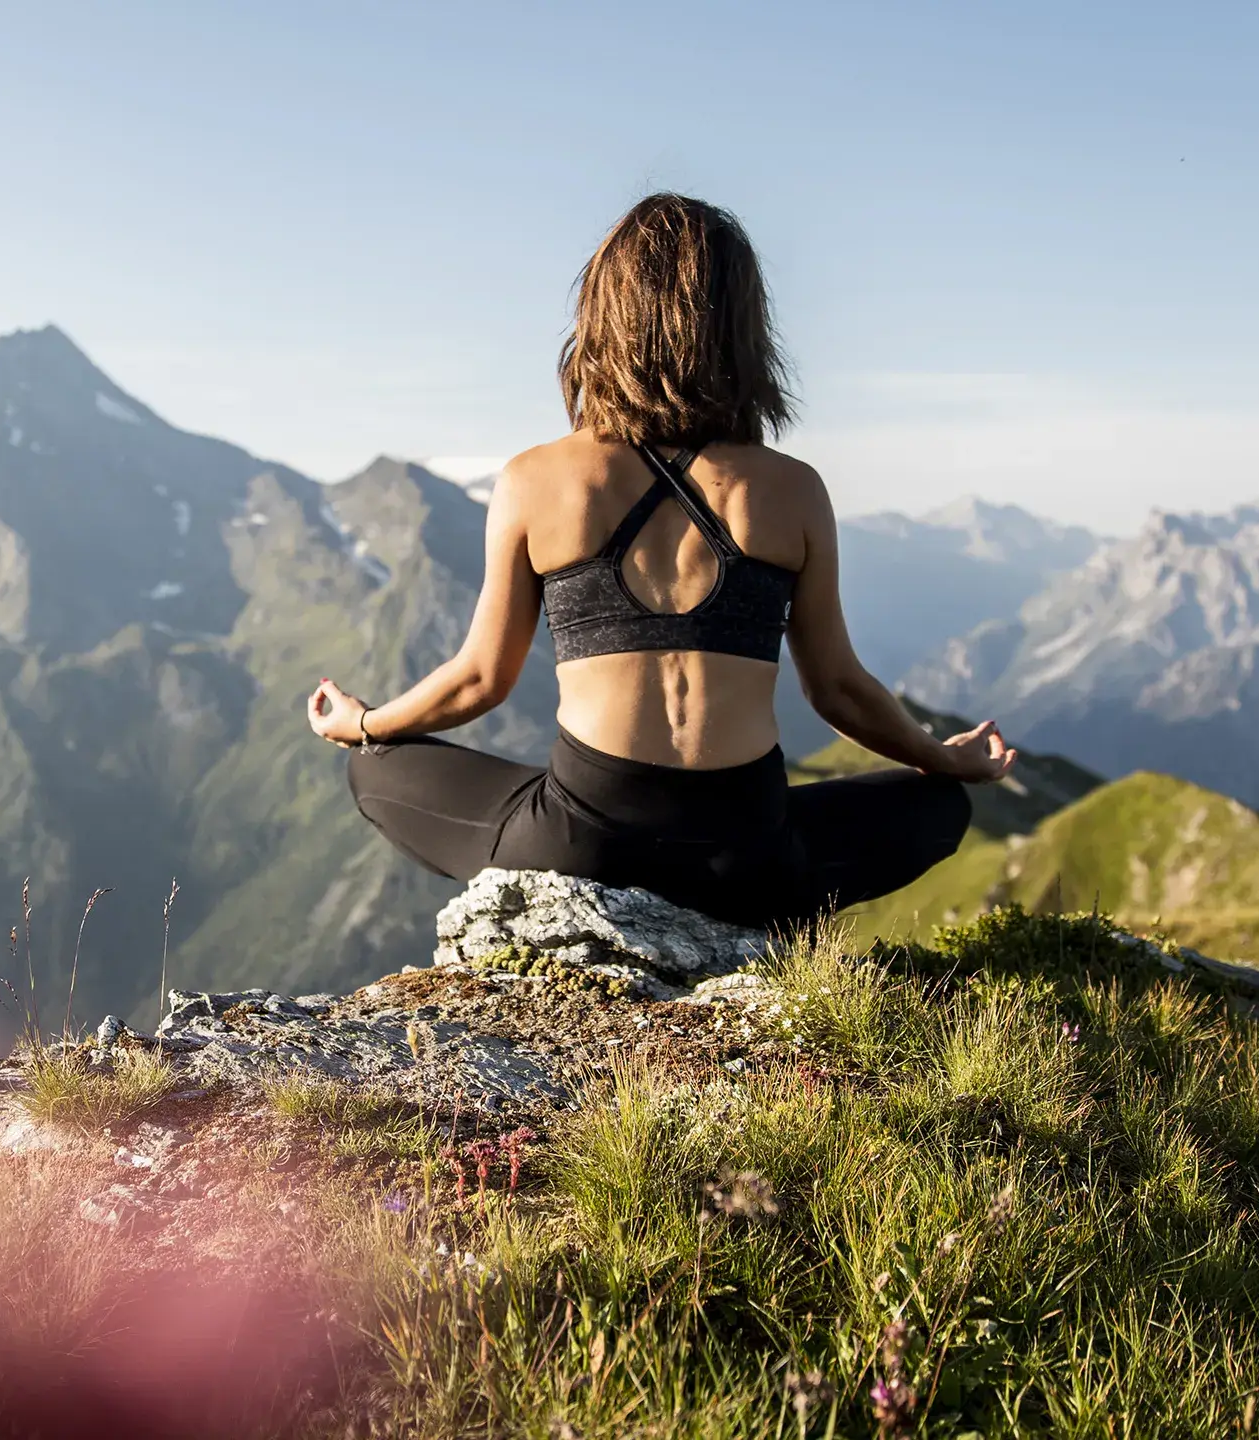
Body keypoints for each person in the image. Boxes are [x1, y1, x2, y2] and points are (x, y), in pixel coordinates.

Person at [306, 193, 1018, 931]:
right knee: (938, 804)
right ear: (743, 330)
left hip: (583, 843)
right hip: (747, 858)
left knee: (376, 768)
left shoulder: (534, 480)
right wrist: (944, 758)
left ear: (603, 317)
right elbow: (838, 690)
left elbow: (483, 679)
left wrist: (363, 725)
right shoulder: (793, 489)